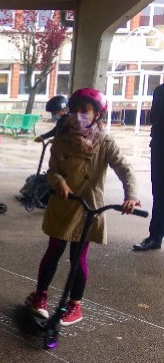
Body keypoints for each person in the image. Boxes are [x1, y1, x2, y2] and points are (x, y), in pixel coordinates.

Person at [26, 88, 139, 326]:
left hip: (88, 207)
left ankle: (75, 305)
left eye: (85, 110)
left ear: (97, 114)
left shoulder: (105, 142)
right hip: (63, 204)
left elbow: (124, 168)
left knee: (78, 258)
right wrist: (59, 182)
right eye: (74, 110)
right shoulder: (61, 138)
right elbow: (53, 170)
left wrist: (131, 195)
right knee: (53, 251)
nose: (78, 115)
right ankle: (40, 296)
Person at [134, 83, 164, 251]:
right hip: (160, 148)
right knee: (159, 194)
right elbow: (154, 117)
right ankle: (155, 237)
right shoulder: (160, 91)